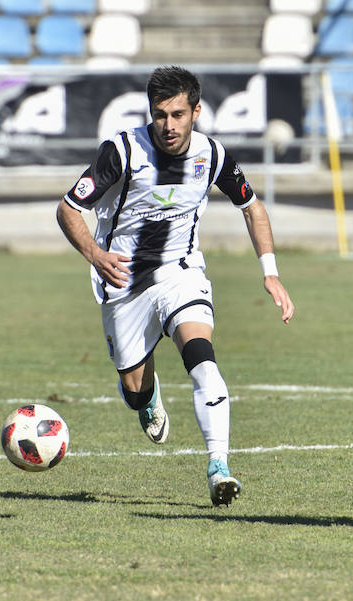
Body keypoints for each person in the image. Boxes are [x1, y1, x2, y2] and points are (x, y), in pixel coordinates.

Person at [57, 66, 294, 506]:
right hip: (123, 280)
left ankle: (219, 466)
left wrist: (270, 271)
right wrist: (95, 253)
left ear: (196, 111)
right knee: (134, 390)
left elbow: (252, 207)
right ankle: (148, 394)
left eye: (178, 114)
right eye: (160, 114)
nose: (169, 125)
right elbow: (70, 208)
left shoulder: (213, 155)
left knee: (202, 360)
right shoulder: (122, 151)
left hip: (181, 272)